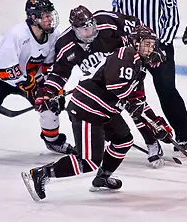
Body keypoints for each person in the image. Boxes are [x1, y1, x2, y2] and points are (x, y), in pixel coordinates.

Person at [21, 25, 172, 201]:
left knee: (123, 141)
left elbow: (140, 102)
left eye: (152, 45)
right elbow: (115, 85)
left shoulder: (139, 68)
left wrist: (158, 124)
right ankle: (41, 174)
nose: (150, 49)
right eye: (146, 44)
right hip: (87, 110)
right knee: (88, 160)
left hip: (104, 111)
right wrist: (130, 103)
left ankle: (103, 177)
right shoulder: (126, 54)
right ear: (136, 42)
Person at [34, 5, 169, 168]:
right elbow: (59, 73)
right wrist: (48, 93)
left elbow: (138, 27)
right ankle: (102, 142)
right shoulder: (65, 44)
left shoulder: (106, 22)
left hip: (126, 66)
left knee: (136, 104)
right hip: (100, 84)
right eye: (84, 30)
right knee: (111, 108)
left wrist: (151, 49)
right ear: (74, 29)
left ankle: (152, 142)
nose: (90, 32)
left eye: (92, 26)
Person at [0, 0, 74, 154]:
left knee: (50, 104)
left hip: (29, 79)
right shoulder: (16, 35)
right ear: (33, 17)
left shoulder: (53, 36)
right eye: (44, 15)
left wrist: (50, 88)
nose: (49, 19)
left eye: (50, 14)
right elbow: (4, 68)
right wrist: (26, 83)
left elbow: (49, 66)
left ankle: (52, 141)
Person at [112, 0, 187, 154]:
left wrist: (161, 44)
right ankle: (145, 139)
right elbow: (116, 15)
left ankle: (186, 137)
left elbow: (172, 17)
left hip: (156, 47)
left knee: (167, 90)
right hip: (130, 48)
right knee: (128, 93)